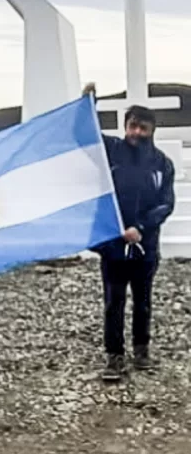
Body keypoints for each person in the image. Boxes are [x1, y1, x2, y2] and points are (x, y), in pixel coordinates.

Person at [82, 83, 175, 382]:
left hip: (145, 247)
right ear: (125, 127)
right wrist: (88, 103)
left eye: (143, 128)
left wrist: (142, 228)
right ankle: (114, 357)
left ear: (152, 130)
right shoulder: (111, 151)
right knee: (114, 301)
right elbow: (84, 136)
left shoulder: (162, 164)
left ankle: (142, 350)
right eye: (132, 126)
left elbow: (166, 204)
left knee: (143, 300)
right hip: (112, 245)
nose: (136, 132)